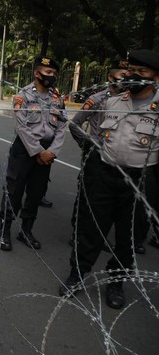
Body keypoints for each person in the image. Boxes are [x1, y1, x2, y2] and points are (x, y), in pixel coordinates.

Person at [60, 49, 159, 310]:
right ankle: (77, 275)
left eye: (142, 72)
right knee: (91, 229)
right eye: (131, 71)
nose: (134, 76)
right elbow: (88, 130)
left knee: (127, 239)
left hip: (138, 182)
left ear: (155, 77)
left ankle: (115, 283)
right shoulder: (112, 103)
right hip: (105, 176)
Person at [0, 56, 67, 251]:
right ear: (37, 73)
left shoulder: (57, 99)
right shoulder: (23, 96)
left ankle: (26, 231)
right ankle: (5, 230)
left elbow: (62, 127)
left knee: (36, 193)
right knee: (14, 191)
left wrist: (52, 151)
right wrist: (38, 151)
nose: (51, 76)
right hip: (24, 150)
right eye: (47, 72)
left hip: (46, 153)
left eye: (54, 73)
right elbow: (21, 127)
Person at [68, 58, 128, 250]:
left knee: (108, 200)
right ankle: (77, 233)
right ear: (111, 77)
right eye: (122, 76)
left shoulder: (128, 102)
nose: (126, 80)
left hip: (116, 157)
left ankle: (99, 234)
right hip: (96, 153)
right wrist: (86, 144)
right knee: (86, 194)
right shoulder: (97, 99)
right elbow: (74, 123)